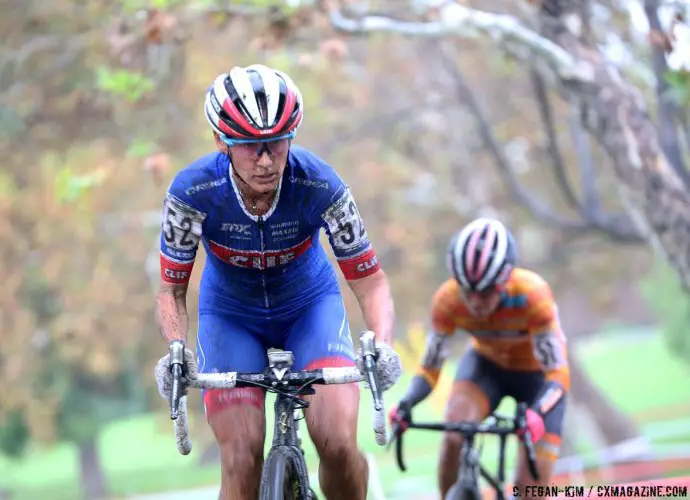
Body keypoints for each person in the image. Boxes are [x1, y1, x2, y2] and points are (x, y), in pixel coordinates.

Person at [152, 64, 402, 500]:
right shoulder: (192, 193)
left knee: (339, 445)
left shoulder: (320, 183)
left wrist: (381, 343)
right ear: (221, 142)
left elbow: (371, 282)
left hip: (310, 308)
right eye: (251, 147)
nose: (266, 160)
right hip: (231, 317)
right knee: (241, 456)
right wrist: (176, 348)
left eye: (278, 142)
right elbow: (171, 290)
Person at [390, 218, 569, 500]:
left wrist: (539, 413)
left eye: (485, 293)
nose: (474, 302)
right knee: (453, 436)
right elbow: (430, 367)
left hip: (538, 381)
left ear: (505, 279)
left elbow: (558, 374)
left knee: (530, 488)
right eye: (467, 291)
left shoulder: (533, 295)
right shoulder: (447, 300)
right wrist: (407, 402)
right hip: (487, 368)